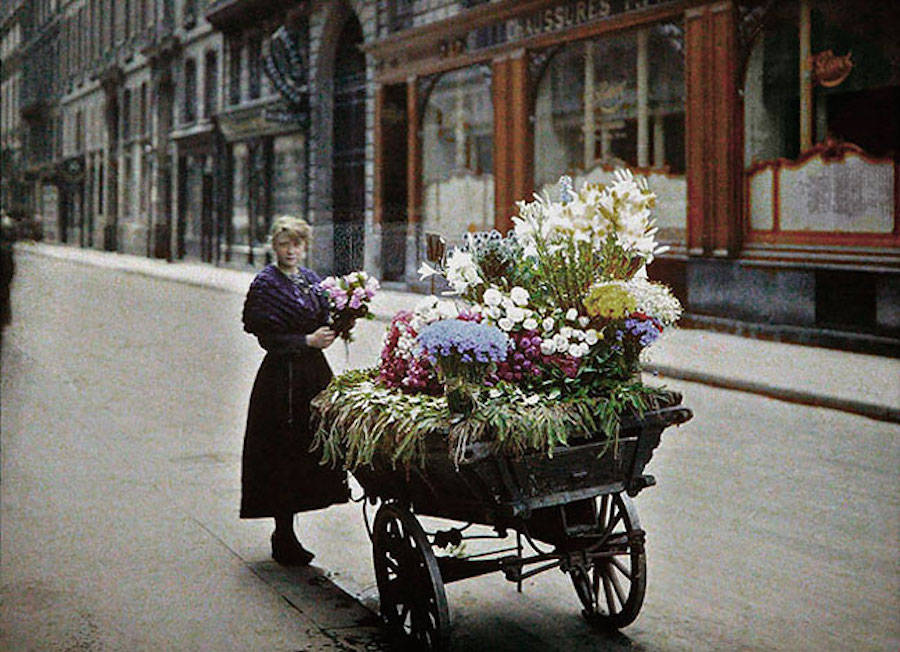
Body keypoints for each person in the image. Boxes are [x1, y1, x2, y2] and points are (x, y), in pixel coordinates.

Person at [240, 215, 349, 565]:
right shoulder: (266, 285)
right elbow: (265, 337)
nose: (292, 251)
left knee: (312, 445)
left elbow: (326, 316)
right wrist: (306, 340)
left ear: (305, 247)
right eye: (285, 244)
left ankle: (291, 530)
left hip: (313, 375)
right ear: (275, 246)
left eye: (298, 244)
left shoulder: (311, 281)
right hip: (281, 380)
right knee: (282, 451)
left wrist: (336, 328)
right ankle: (283, 533)